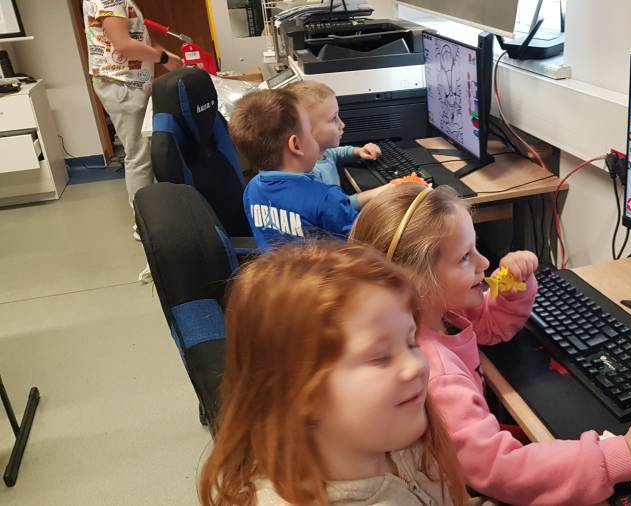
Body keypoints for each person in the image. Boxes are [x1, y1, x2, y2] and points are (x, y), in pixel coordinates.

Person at [350, 184, 631, 505]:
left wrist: (514, 289)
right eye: (465, 257)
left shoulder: (436, 314)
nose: (484, 263)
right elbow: (501, 469)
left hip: (468, 453)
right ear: (417, 283)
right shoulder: (437, 375)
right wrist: (622, 457)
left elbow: (491, 327)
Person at [197, 241, 473, 506]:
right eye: (380, 357)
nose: (416, 366)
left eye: (411, 343)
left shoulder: (400, 440)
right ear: (300, 394)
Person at [83, 0, 183, 239]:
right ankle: (145, 223)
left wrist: (166, 57)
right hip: (123, 83)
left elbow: (139, 37)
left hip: (131, 81)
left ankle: (154, 212)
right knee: (139, 155)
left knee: (144, 150)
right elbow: (124, 45)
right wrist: (163, 58)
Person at [229, 88, 350, 248]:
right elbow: (362, 240)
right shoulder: (327, 198)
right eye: (310, 132)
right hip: (326, 265)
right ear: (296, 145)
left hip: (277, 265)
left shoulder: (251, 190)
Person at [288, 80, 391, 211]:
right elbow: (335, 207)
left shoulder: (322, 153)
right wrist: (382, 191)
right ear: (306, 131)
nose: (342, 124)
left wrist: (358, 151)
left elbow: (335, 153)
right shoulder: (309, 174)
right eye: (333, 119)